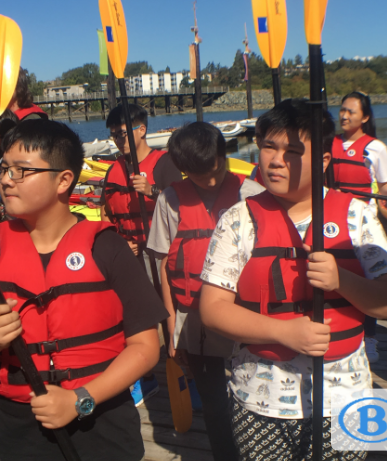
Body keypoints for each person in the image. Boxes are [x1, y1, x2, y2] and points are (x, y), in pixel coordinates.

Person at [0, 120, 166, 461]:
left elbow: (146, 348)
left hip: (104, 427)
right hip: (22, 432)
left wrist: (80, 400)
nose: (5, 179)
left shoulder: (107, 248)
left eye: (21, 170)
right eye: (4, 168)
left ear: (64, 180)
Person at [199, 99, 387, 461]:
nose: (276, 160)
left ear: (323, 160)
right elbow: (213, 310)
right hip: (260, 400)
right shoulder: (237, 219)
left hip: (344, 399)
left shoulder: (357, 216)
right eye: (268, 147)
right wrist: (284, 332)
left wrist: (342, 280)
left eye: (293, 151)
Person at [146, 122, 265, 460]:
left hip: (248, 317)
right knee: (214, 404)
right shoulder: (169, 201)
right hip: (193, 321)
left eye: (216, 170)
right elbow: (163, 269)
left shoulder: (253, 194)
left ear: (224, 155)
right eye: (200, 177)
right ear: (184, 171)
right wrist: (171, 326)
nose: (212, 181)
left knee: (253, 397)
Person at [102, 103, 183, 405]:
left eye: (122, 133)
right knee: (134, 319)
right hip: (131, 255)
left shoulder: (164, 164)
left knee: (169, 314)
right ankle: (145, 379)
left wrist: (151, 191)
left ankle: (183, 370)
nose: (118, 140)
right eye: (113, 135)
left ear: (141, 130)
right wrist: (120, 243)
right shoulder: (113, 169)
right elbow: (108, 214)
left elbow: (182, 208)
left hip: (161, 254)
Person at [331, 91, 387, 364]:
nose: (344, 115)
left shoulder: (375, 148)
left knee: (371, 278)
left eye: (351, 112)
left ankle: (371, 337)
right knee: (343, 276)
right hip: (334, 215)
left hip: (362, 219)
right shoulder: (329, 143)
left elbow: (384, 185)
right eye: (342, 110)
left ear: (364, 117)